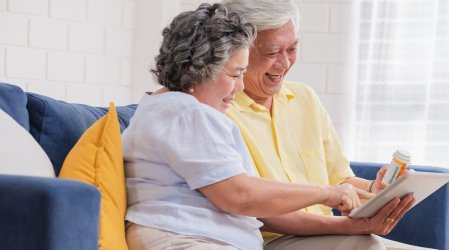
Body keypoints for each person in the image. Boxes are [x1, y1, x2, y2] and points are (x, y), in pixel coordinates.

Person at [122, 3, 371, 250]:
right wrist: (326, 194)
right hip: (185, 238)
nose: (240, 87)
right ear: (202, 70)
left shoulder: (172, 108)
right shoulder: (187, 114)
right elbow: (239, 195)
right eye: (234, 75)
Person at [222, 0, 429, 249]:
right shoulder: (222, 112)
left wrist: (377, 189)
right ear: (238, 52)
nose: (285, 63)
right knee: (365, 245)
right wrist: (350, 227)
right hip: (274, 240)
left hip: (329, 236)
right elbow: (255, 208)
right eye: (272, 52)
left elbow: (339, 180)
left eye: (292, 49)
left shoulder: (304, 98)